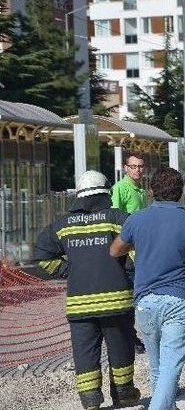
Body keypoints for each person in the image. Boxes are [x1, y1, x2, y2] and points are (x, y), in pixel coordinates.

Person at [110, 167, 185, 410]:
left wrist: (138, 244)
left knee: (158, 366)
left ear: (150, 191)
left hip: (145, 302)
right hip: (178, 300)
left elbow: (114, 250)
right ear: (180, 193)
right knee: (170, 367)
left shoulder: (136, 219)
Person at [33, 171, 140, 410]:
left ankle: (90, 398)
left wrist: (67, 270)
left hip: (79, 305)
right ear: (105, 192)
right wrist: (129, 273)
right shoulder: (117, 218)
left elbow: (40, 256)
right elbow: (136, 251)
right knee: (121, 347)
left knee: (85, 352)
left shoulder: (61, 225)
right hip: (116, 302)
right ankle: (124, 394)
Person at [111, 150, 148, 354]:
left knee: (138, 295)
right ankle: (129, 337)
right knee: (130, 296)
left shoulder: (141, 190)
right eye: (133, 166)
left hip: (140, 251)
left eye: (140, 166)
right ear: (126, 168)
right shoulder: (120, 188)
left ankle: (133, 335)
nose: (137, 170)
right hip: (127, 253)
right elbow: (115, 219)